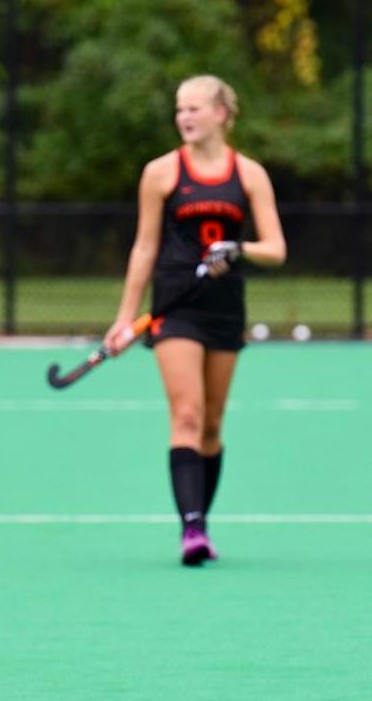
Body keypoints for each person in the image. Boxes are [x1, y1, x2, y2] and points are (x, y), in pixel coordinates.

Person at [102, 75, 287, 566]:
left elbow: (276, 248)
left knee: (211, 424)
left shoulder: (249, 174)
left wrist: (238, 248)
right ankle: (192, 529)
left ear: (221, 114)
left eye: (194, 108)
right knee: (186, 414)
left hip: (224, 306)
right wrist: (125, 318)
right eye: (180, 108)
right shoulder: (161, 173)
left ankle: (201, 519)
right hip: (174, 305)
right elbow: (145, 247)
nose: (184, 116)